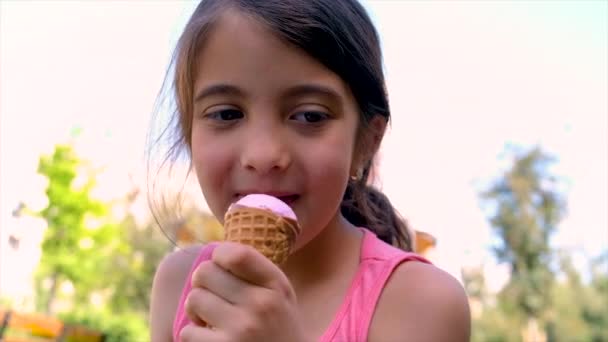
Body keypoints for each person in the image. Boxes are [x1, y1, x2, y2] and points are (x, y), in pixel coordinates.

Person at [149, 0, 471, 341]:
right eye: (227, 114)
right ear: (189, 133)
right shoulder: (181, 283)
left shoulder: (422, 303)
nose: (263, 155)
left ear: (367, 141)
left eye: (310, 115)